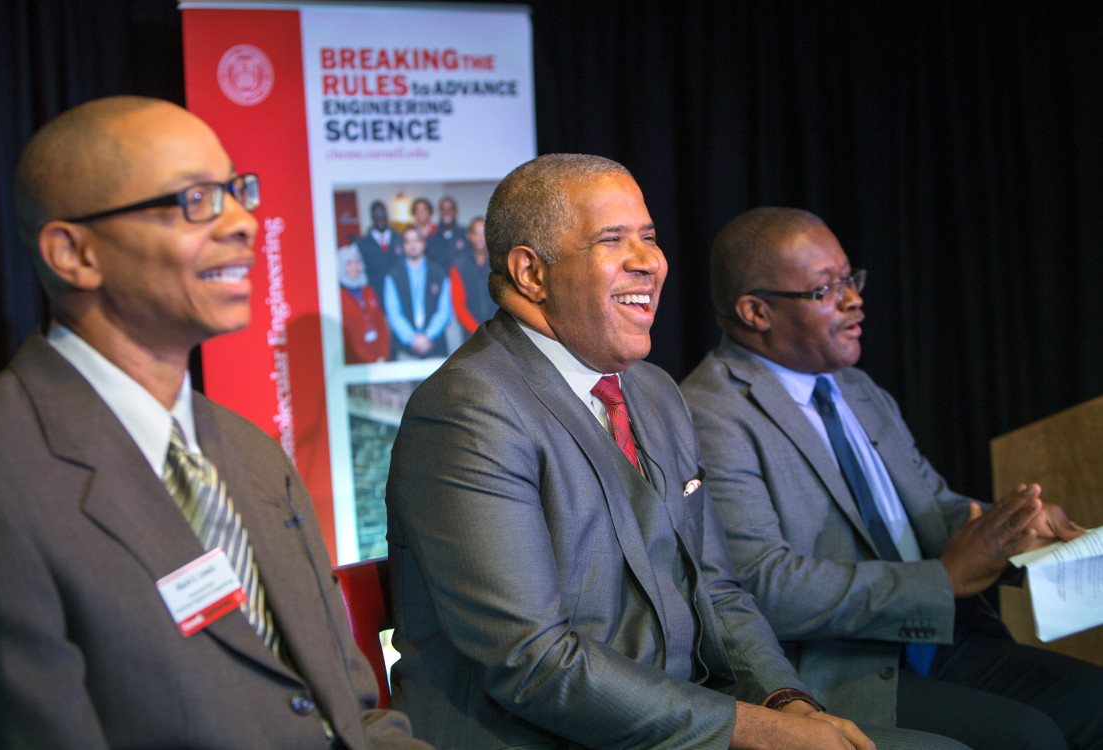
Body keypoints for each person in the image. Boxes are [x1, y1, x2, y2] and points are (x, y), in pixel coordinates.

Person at [385, 155, 965, 750]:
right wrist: (761, 733)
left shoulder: (654, 392)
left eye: (651, 238)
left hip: (687, 726)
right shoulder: (467, 411)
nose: (650, 262)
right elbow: (533, 663)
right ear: (532, 273)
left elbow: (717, 589)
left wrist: (787, 703)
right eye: (613, 240)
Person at [0, 96, 430, 750]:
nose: (244, 222)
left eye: (236, 191)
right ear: (73, 253)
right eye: (195, 199)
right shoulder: (0, 469)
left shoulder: (248, 452)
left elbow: (352, 713)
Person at [680, 206, 1103, 750]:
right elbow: (764, 585)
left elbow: (931, 506)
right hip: (840, 668)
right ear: (756, 311)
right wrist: (943, 580)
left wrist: (1010, 531)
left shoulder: (856, 388)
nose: (854, 299)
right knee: (1032, 738)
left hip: (943, 639)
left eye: (850, 279)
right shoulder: (709, 412)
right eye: (824, 290)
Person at [381, 226, 452, 359]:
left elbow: (445, 310)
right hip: (405, 348)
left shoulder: (440, 273)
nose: (412, 245)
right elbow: (393, 312)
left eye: (416, 240)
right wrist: (412, 339)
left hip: (435, 345)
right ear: (403, 246)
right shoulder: (393, 275)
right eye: (408, 241)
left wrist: (428, 337)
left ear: (424, 243)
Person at [339, 243, 390, 364]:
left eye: (357, 262)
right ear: (341, 267)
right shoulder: (338, 297)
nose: (355, 267)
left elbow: (381, 325)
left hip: (380, 361)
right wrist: (366, 361)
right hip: (356, 363)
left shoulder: (369, 291)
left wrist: (383, 356)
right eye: (349, 263)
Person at [449, 216, 497, 335]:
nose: (481, 238)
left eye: (484, 233)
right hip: (471, 334)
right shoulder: (458, 266)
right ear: (469, 236)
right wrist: (477, 331)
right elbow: (459, 306)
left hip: (498, 333)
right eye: (476, 233)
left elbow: (506, 300)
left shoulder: (500, 264)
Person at [354, 200, 402, 293]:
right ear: (371, 217)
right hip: (374, 294)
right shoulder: (362, 243)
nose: (380, 217)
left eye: (383, 213)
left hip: (399, 292)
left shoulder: (400, 239)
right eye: (376, 214)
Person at [424, 195, 470, 271]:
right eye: (443, 209)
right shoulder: (431, 237)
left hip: (461, 280)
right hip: (439, 280)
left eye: (450, 209)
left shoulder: (465, 235)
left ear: (455, 212)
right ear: (439, 212)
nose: (447, 212)